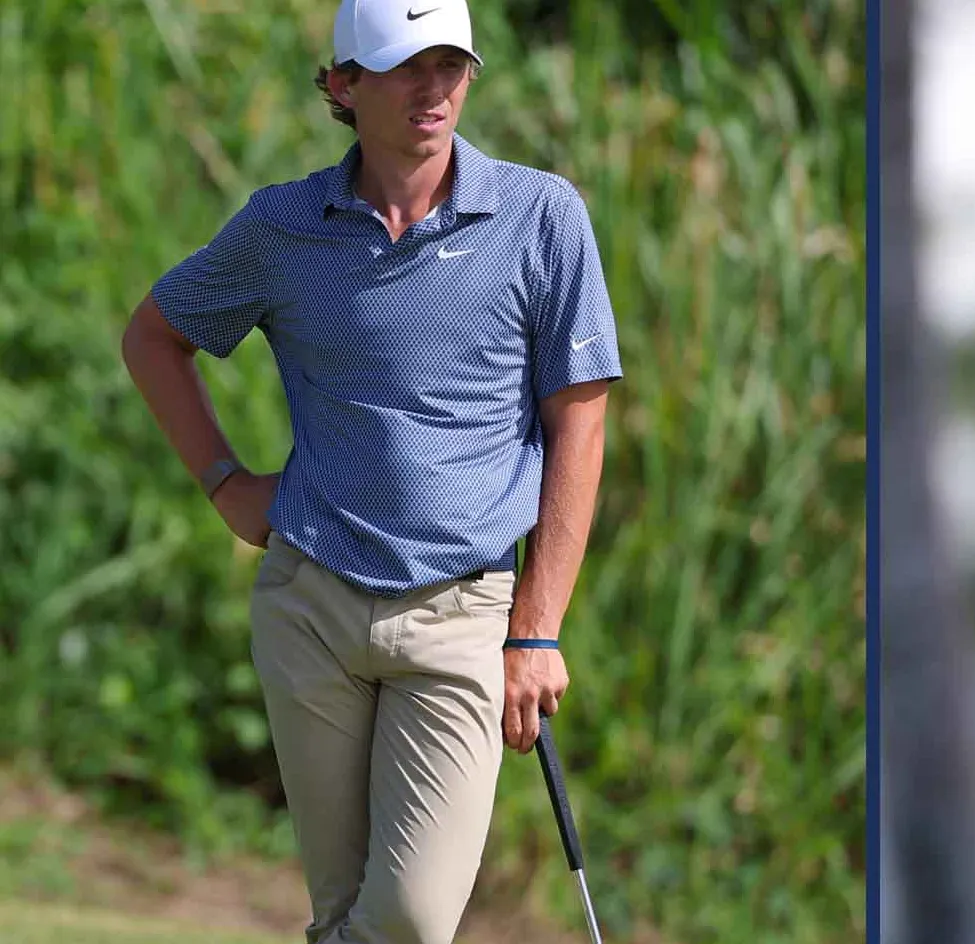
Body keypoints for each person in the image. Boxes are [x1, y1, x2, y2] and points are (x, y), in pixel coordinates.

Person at [119, 0, 621, 940]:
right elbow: (155, 336)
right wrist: (228, 484)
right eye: (407, 65)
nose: (435, 88)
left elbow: (579, 426)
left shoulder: (541, 216)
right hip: (310, 601)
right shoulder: (282, 227)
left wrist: (539, 630)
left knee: (411, 923)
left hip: (466, 614)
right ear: (344, 85)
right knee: (343, 914)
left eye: (452, 65)